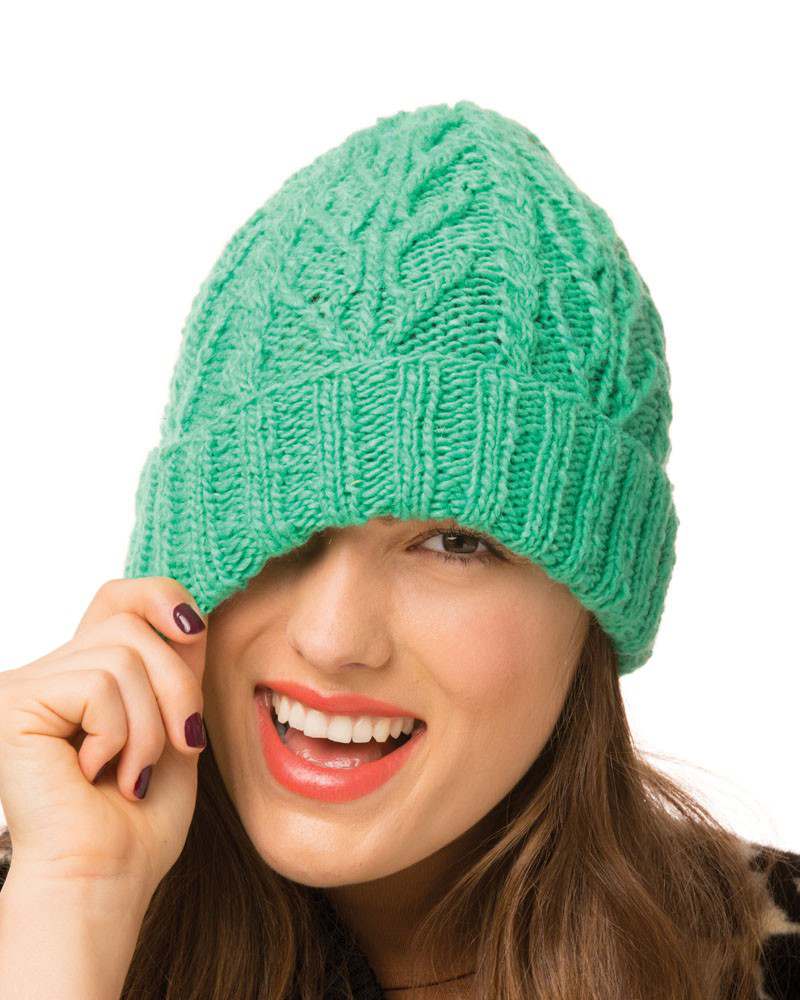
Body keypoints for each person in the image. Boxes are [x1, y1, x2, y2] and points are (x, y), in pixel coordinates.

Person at [0, 99, 797, 999]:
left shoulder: (770, 958)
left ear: (596, 604)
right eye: (283, 524)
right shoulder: (38, 910)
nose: (332, 637)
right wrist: (74, 912)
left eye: (454, 542)